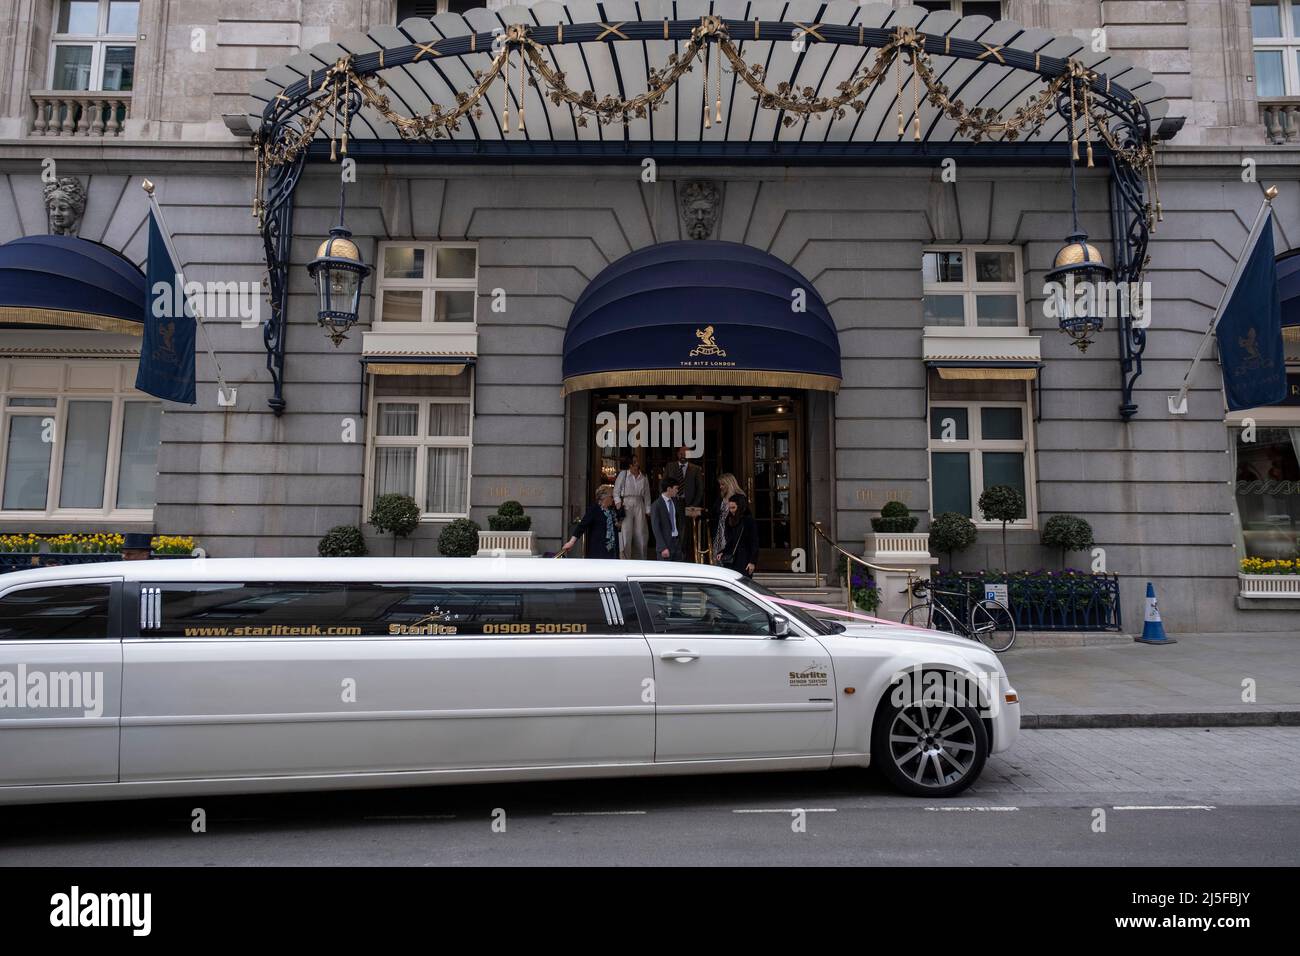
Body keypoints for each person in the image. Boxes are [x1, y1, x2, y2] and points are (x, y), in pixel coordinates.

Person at [661, 446, 704, 560]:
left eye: (686, 453)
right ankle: (671, 555)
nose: (683, 455)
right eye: (681, 453)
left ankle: (683, 557)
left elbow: (700, 489)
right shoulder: (670, 467)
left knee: (684, 532)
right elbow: (663, 484)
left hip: (687, 504)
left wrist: (693, 504)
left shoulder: (695, 469)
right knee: (671, 528)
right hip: (672, 502)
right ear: (677, 454)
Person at [563, 485, 620, 559]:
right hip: (598, 551)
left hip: (612, 552)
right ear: (604, 497)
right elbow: (582, 526)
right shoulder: (594, 510)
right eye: (611, 497)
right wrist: (571, 542)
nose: (613, 499)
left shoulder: (612, 511)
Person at [613, 457, 650, 560]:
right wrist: (618, 502)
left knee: (641, 533)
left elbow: (647, 494)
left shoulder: (644, 476)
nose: (637, 464)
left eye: (637, 462)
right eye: (635, 462)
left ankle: (641, 559)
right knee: (626, 532)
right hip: (626, 503)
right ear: (630, 465)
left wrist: (648, 509)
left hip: (639, 502)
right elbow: (616, 491)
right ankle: (625, 559)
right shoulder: (624, 474)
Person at [718, 493, 759, 577]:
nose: (731, 510)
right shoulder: (729, 520)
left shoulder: (748, 520)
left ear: (740, 506)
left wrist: (752, 561)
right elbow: (730, 541)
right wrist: (723, 552)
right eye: (730, 508)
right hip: (731, 559)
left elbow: (754, 542)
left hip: (744, 559)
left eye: (733, 508)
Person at [650, 476, 687, 561]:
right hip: (665, 545)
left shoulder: (677, 502)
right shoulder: (656, 505)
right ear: (669, 489)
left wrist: (681, 541)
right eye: (676, 488)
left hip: (677, 543)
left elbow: (680, 522)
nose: (677, 491)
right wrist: (663, 547)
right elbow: (656, 528)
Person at [712, 472, 742, 562]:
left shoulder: (739, 498)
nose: (720, 487)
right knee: (718, 561)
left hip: (731, 534)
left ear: (729, 484)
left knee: (729, 559)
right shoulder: (721, 498)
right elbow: (713, 513)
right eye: (720, 484)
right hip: (719, 534)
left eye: (723, 484)